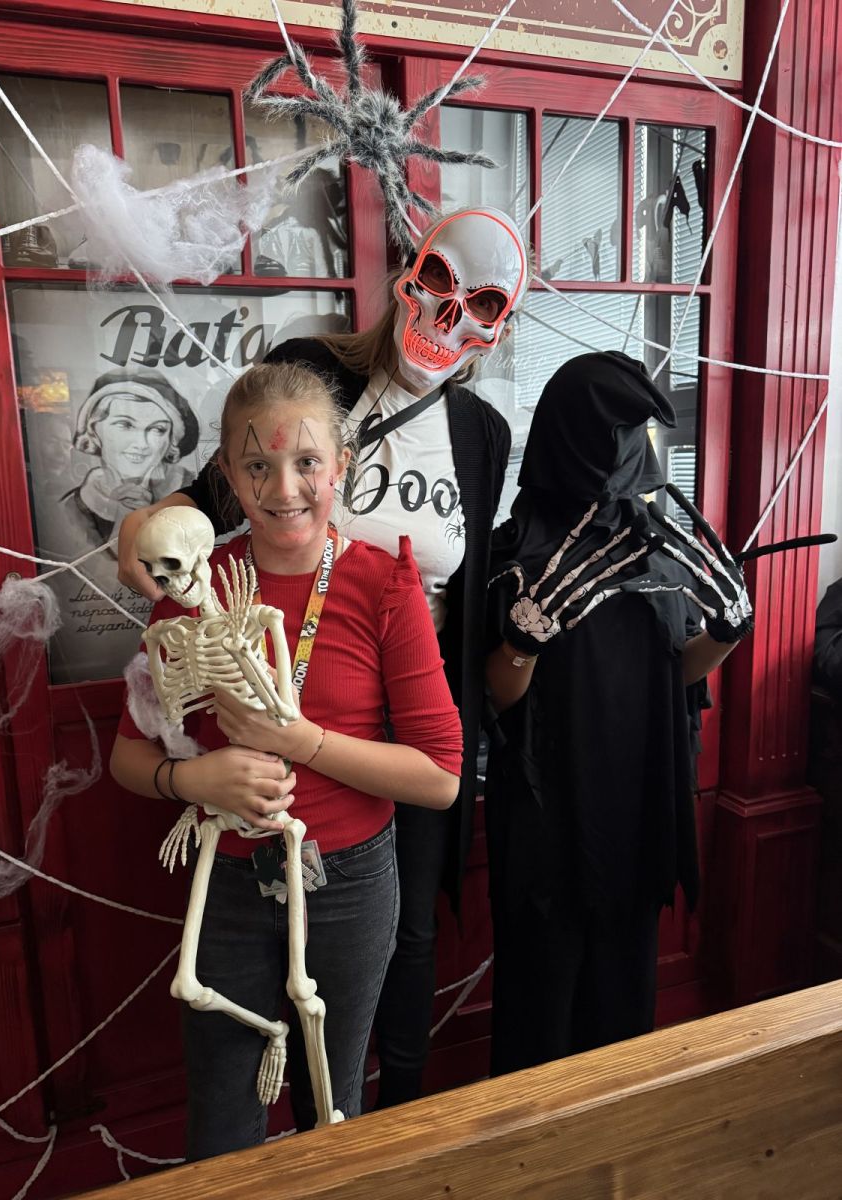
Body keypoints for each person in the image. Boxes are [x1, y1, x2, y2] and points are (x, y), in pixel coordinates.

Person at [116, 206, 528, 1107]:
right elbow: (221, 484)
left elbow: (470, 588)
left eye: (483, 305)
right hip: (283, 665)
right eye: (439, 284)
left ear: (501, 327)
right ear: (407, 277)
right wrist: (144, 525)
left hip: (407, 692)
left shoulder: (483, 434)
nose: (449, 316)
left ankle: (387, 1131)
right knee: (267, 945)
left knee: (404, 936)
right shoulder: (314, 369)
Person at [110, 361, 462, 1158]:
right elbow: (128, 757)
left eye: (307, 462)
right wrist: (190, 778)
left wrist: (301, 742)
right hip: (228, 878)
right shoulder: (190, 588)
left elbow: (441, 776)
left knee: (332, 1105)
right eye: (258, 466)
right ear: (228, 476)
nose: (285, 488)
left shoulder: (385, 584)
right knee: (222, 1118)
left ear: (341, 465)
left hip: (350, 882)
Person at [483, 351, 750, 1075]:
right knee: (541, 1011)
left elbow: (676, 675)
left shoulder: (657, 546)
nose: (632, 451)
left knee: (624, 1010)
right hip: (547, 813)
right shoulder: (515, 550)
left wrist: (727, 632)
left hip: (637, 802)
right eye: (618, 431)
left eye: (639, 434)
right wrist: (524, 638)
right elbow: (495, 700)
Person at [61, 368, 198, 548]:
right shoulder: (72, 508)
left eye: (158, 429)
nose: (142, 444)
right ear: (94, 429)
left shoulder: (193, 492)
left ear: (171, 440)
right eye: (125, 425)